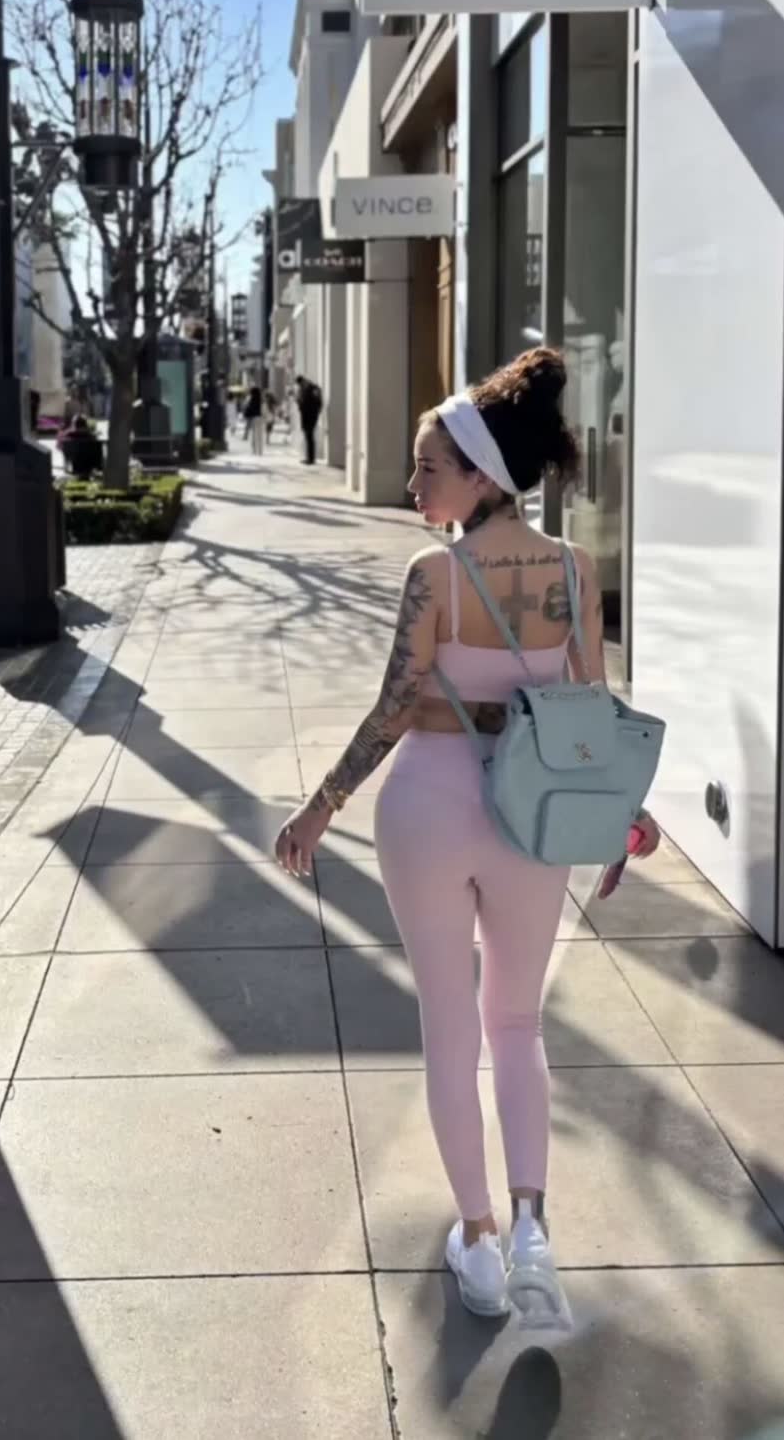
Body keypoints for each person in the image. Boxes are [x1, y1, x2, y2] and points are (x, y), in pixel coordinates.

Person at [274, 349, 660, 1327]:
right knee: (517, 1024)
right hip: (536, 815)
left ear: (481, 475)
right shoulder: (572, 568)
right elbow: (589, 707)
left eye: (428, 468)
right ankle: (532, 1229)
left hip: (429, 809)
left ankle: (479, 1245)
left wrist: (322, 803)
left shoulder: (433, 575)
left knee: (449, 1027)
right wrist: (624, 806)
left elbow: (395, 706)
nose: (414, 486)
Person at [57, 414, 103, 481]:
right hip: (89, 465)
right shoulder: (91, 437)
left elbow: (59, 447)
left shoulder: (66, 436)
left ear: (73, 424)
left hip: (74, 464)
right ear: (85, 424)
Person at [295, 374, 323, 464]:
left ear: (303, 381)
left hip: (311, 416)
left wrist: (316, 412)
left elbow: (318, 402)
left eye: (301, 384)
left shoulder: (313, 388)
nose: (300, 386)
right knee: (308, 437)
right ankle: (309, 458)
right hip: (306, 416)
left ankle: (311, 459)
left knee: (310, 436)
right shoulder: (304, 390)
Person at [243, 382, 265, 456]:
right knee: (260, 435)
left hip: (253, 418)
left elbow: (247, 406)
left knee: (254, 434)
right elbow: (263, 409)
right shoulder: (261, 399)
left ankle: (254, 450)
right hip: (260, 418)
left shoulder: (251, 399)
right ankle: (260, 451)